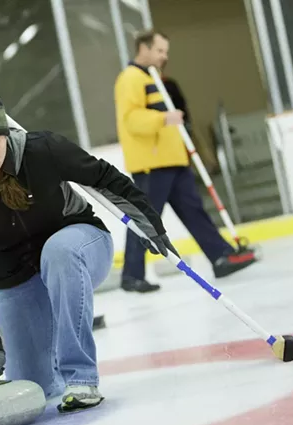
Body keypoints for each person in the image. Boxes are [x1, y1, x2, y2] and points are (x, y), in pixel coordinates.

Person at [0, 89, 177, 412]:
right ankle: (47, 366)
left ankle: (81, 377)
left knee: (59, 251)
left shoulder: (42, 150)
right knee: (33, 385)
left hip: (79, 245)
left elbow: (106, 178)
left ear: (6, 135)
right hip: (17, 274)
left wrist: (148, 222)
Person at [114, 29, 256, 294]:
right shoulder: (130, 79)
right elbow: (131, 120)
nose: (164, 56)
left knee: (194, 210)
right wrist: (164, 119)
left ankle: (220, 256)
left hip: (173, 160)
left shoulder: (153, 77)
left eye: (165, 51)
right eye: (159, 50)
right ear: (143, 48)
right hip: (152, 164)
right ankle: (131, 275)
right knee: (145, 219)